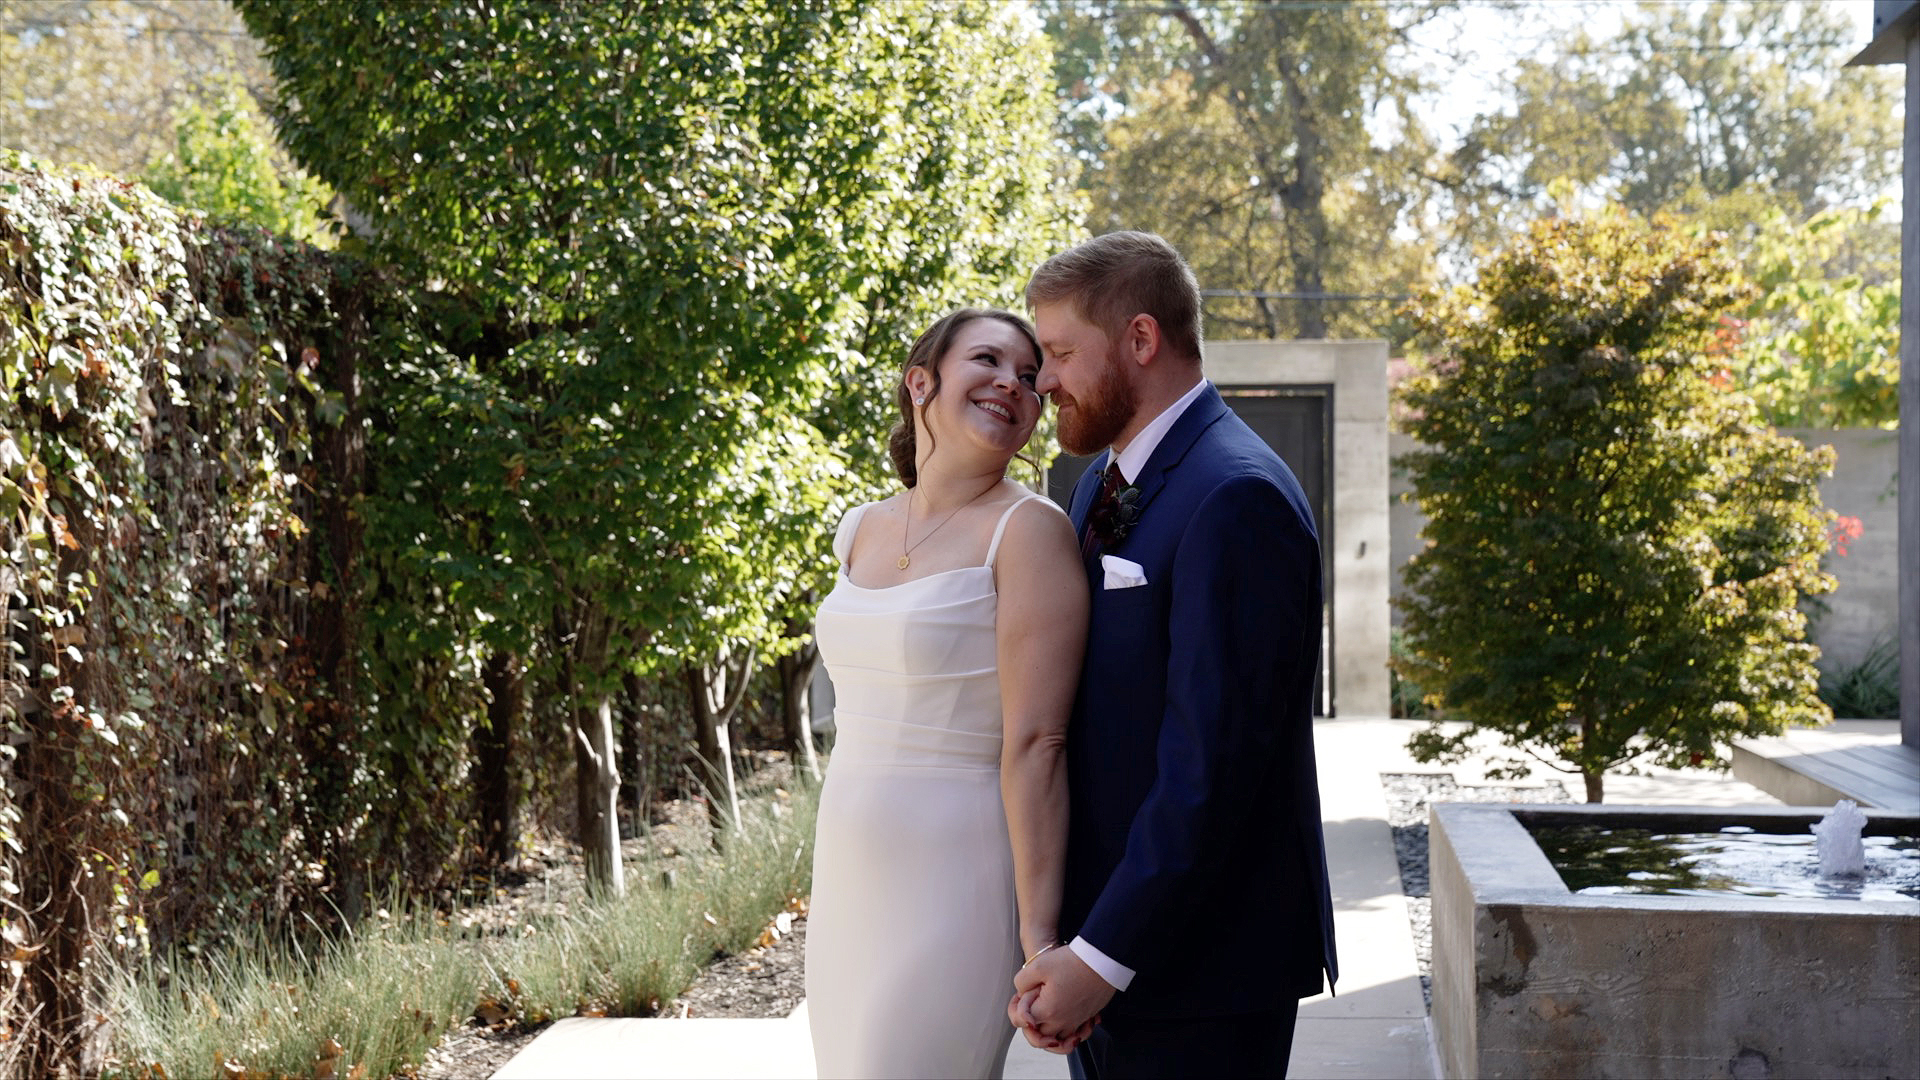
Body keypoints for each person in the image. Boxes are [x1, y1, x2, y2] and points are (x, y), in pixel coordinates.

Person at [1008, 231, 1338, 1078]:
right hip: (1120, 954)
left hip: (1204, 974)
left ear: (1142, 340)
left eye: (1060, 353)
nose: (1043, 382)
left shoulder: (1237, 495)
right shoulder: (1099, 483)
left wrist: (1103, 958)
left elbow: (1212, 768)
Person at [805, 308, 1092, 1078]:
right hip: (847, 869)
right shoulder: (858, 527)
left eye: (1030, 377)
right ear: (920, 381)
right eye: (990, 361)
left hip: (960, 874)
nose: (1013, 383)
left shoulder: (1029, 532)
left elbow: (1039, 744)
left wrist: (1041, 941)